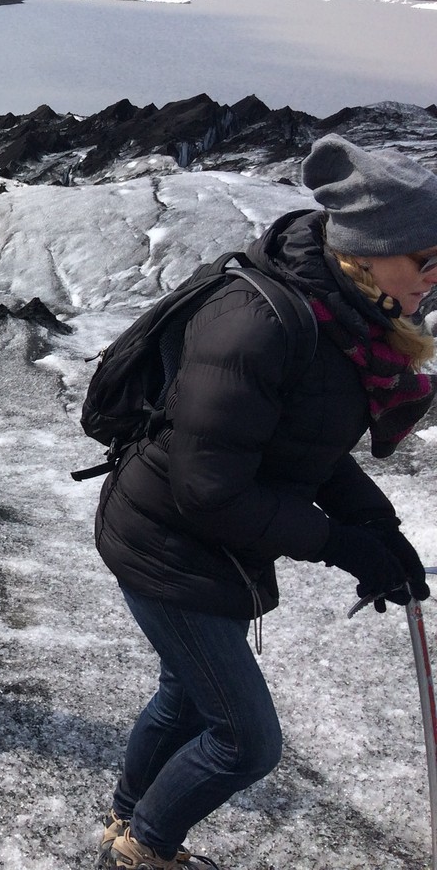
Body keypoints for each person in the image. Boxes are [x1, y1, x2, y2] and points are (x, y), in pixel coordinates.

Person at [94, 134, 437, 869]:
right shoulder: (264, 326)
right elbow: (209, 487)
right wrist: (341, 545)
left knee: (185, 699)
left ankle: (125, 818)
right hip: (168, 542)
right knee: (246, 741)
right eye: (427, 260)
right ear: (370, 251)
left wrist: (374, 524)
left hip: (203, 541)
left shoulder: (340, 314)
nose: (433, 280)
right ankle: (141, 850)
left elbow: (302, 446)